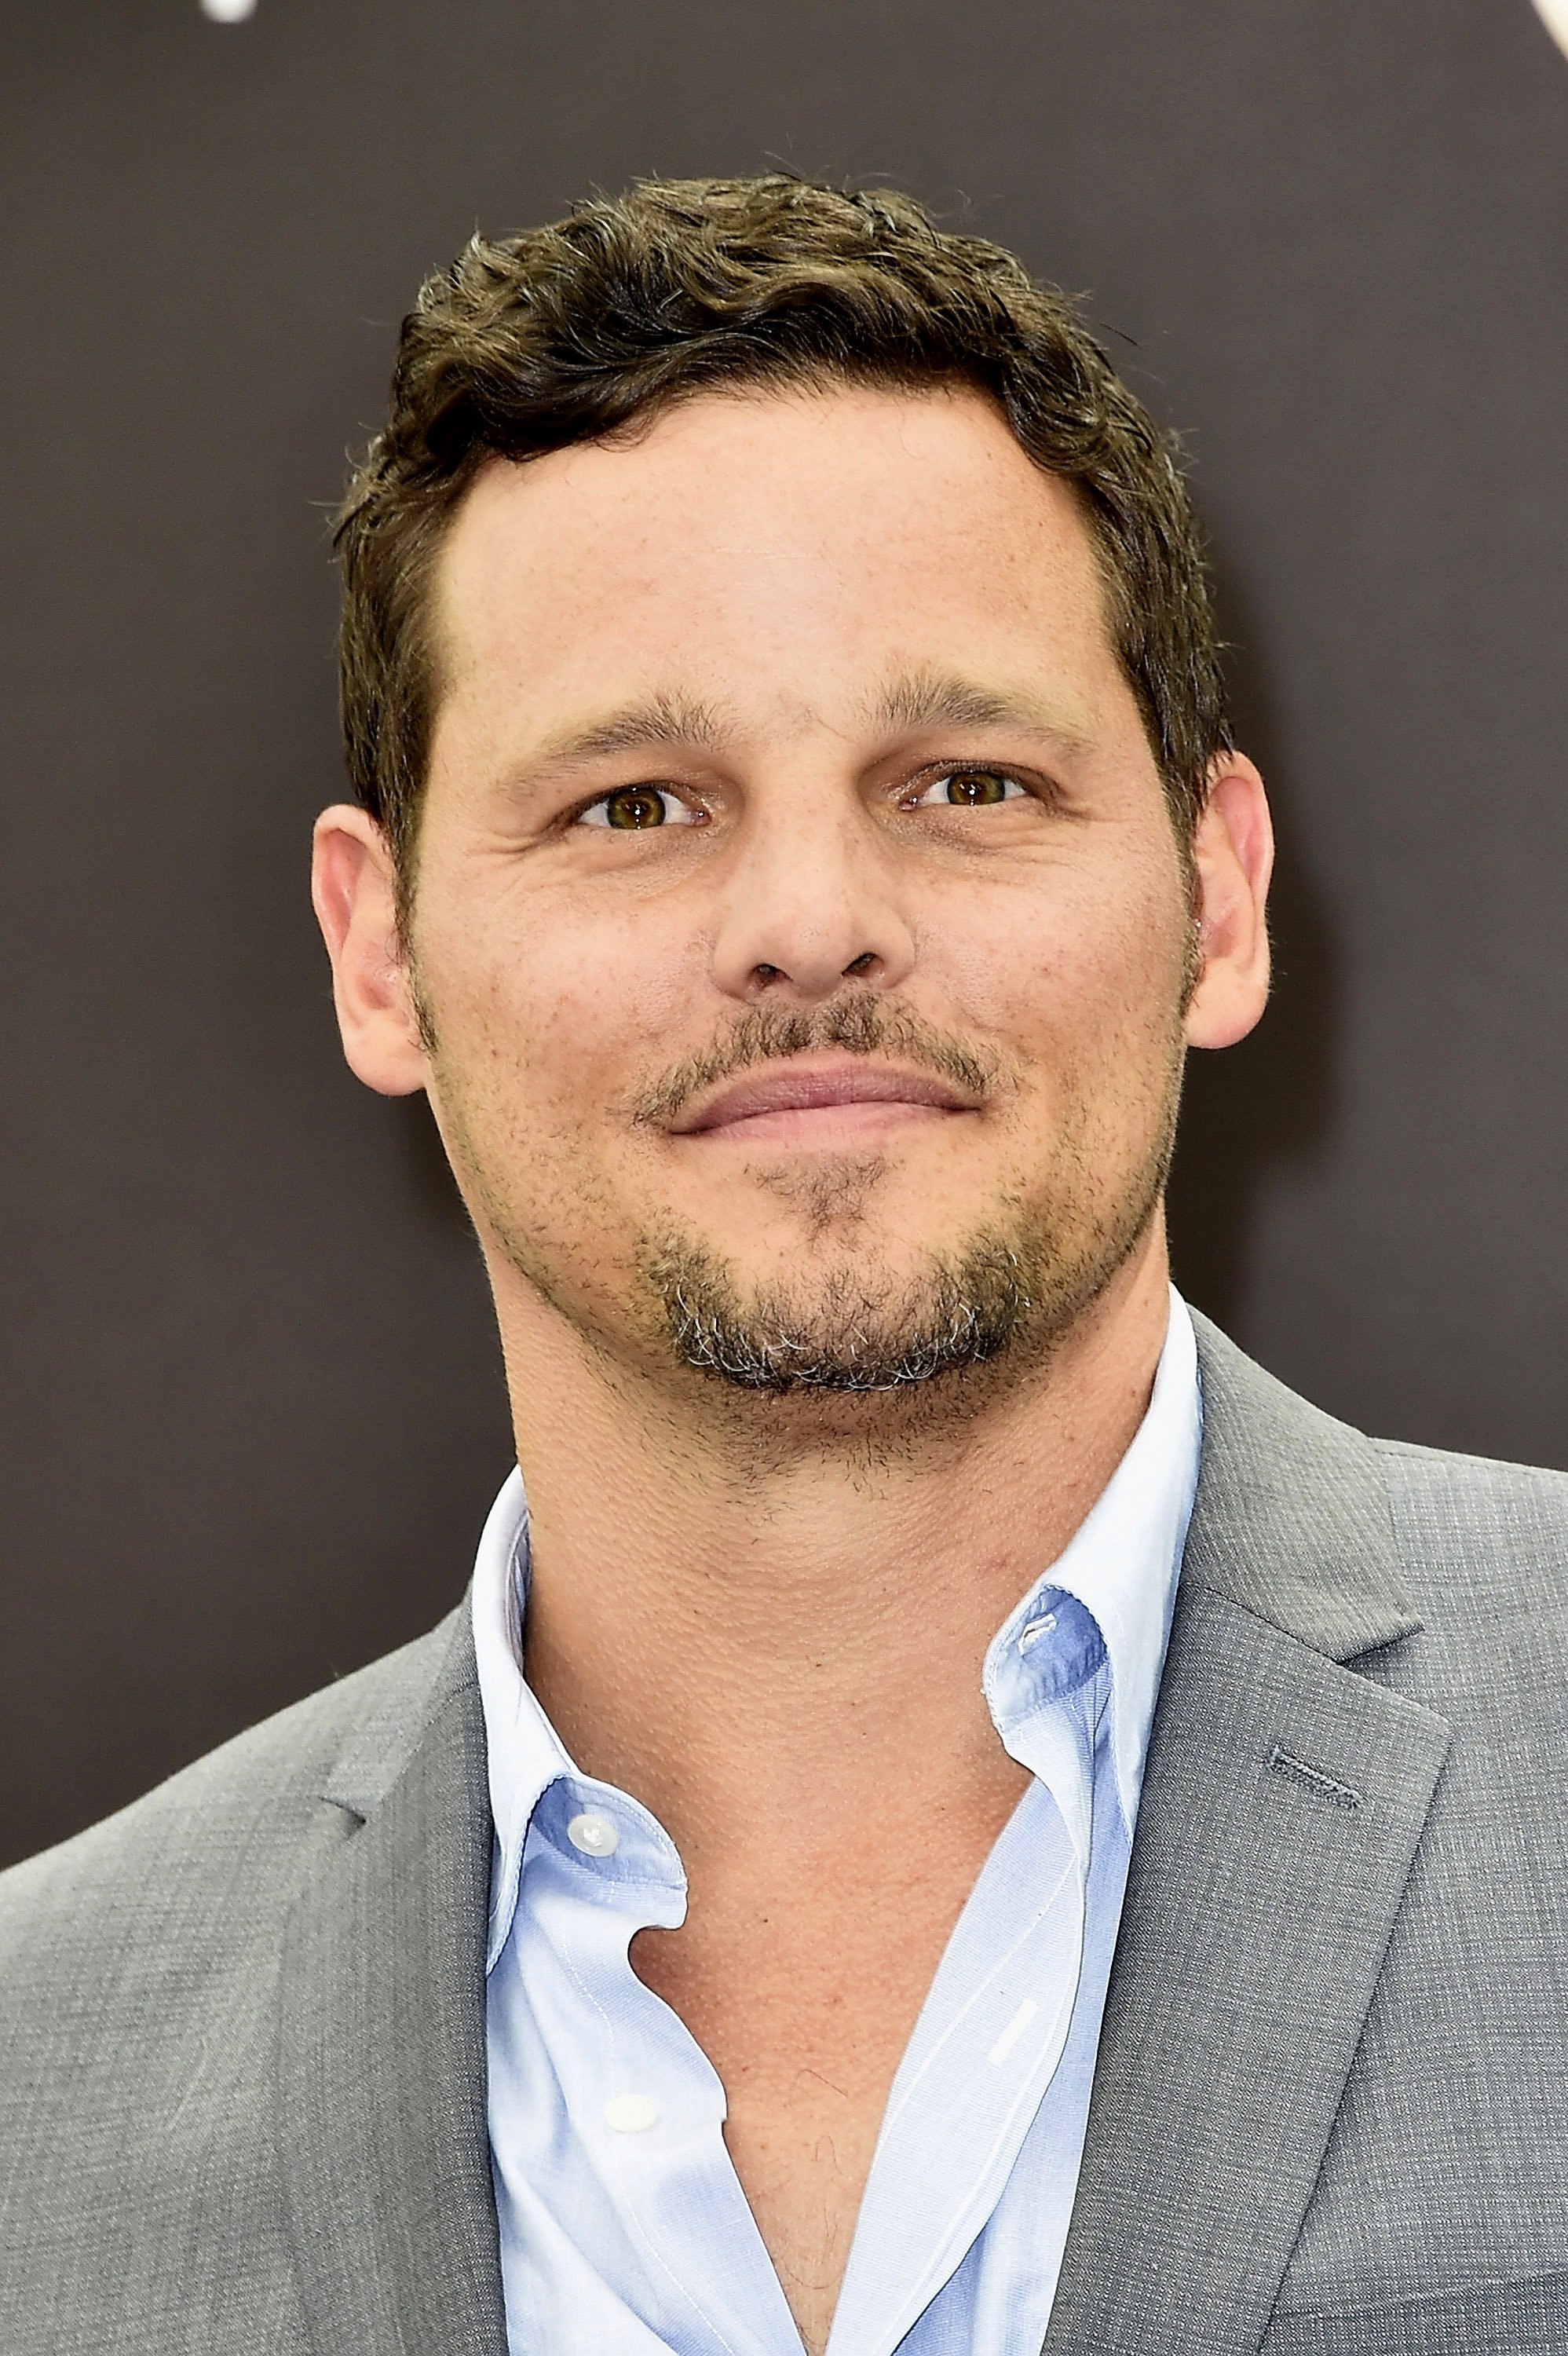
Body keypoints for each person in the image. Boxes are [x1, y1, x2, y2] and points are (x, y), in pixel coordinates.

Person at [2, 174, 1565, 2356]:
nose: (812, 917)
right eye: (636, 805)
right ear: (378, 954)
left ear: (1220, 897)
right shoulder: (29, 2095)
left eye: (968, 782)